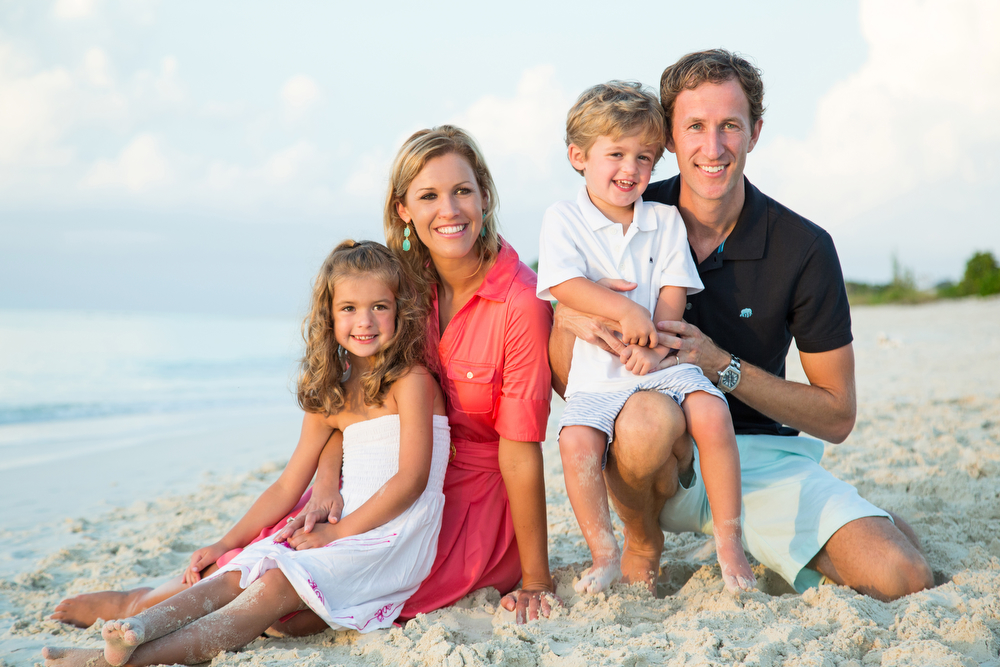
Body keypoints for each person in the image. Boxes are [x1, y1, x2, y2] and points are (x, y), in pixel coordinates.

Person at [51, 125, 557, 633]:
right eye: (428, 195)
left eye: (462, 190)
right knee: (273, 545)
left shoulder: (520, 303)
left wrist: (536, 578)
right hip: (375, 477)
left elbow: (519, 450)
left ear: (484, 195)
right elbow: (355, 407)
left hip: (464, 504)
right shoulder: (399, 286)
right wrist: (326, 482)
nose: (448, 210)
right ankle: (141, 601)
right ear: (403, 209)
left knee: (299, 606)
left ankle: (148, 611)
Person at [549, 49, 934, 601]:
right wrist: (571, 314)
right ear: (670, 137)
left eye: (730, 125)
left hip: (758, 458)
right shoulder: (621, 206)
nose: (713, 148)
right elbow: (564, 374)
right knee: (645, 421)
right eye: (694, 127)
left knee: (903, 576)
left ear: (755, 132)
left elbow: (838, 416)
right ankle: (642, 540)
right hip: (657, 464)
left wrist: (720, 366)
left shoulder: (803, 247)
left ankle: (855, 519)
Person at [44, 239, 450, 667]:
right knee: (240, 571)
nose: (364, 321)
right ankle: (137, 629)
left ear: (399, 311)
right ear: (329, 317)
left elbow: (412, 480)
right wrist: (226, 541)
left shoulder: (411, 381)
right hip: (344, 529)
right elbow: (286, 487)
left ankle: (106, 661)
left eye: (379, 306)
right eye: (349, 308)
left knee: (272, 586)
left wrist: (336, 533)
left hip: (391, 534)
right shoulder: (333, 398)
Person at [537, 81, 755, 595]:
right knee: (574, 442)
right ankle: (604, 553)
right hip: (597, 376)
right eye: (616, 154)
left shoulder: (663, 218)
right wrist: (622, 309)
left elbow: (675, 288)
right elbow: (563, 284)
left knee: (712, 412)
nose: (631, 169)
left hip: (663, 361)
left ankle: (729, 543)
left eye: (645, 157)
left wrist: (656, 342)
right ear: (578, 157)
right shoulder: (563, 219)